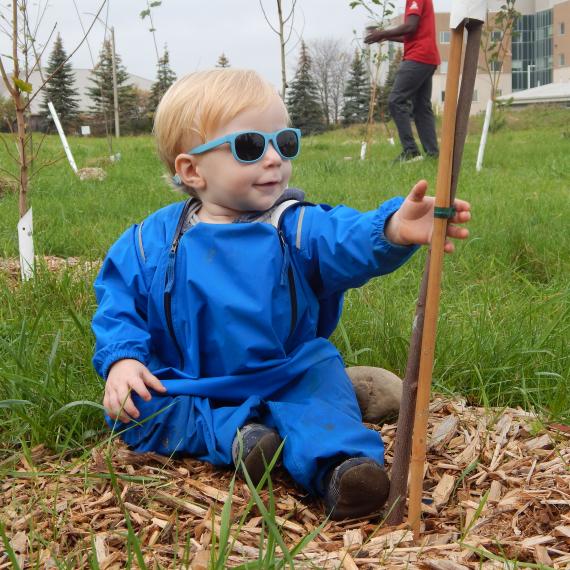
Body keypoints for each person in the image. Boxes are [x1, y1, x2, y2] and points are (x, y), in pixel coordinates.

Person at [92, 69, 470, 520]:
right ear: (191, 170)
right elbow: (119, 304)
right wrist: (122, 359)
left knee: (323, 384)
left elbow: (342, 239)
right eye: (250, 147)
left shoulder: (292, 225)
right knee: (134, 409)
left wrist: (391, 229)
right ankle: (241, 438)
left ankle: (342, 468)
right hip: (191, 379)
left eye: (284, 142)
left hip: (285, 369)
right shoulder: (147, 242)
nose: (274, 158)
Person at [365, 0, 441, 163]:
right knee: (421, 107)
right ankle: (432, 154)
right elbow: (411, 33)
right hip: (427, 57)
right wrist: (384, 36)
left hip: (418, 57)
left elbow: (410, 26)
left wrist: (383, 33)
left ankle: (411, 151)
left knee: (396, 100)